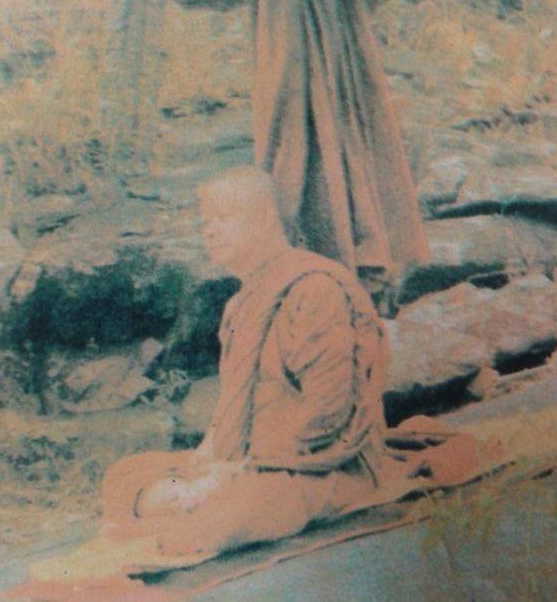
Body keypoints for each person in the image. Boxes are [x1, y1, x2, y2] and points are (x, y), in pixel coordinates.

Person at [98, 165, 401, 558]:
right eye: (206, 222)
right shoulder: (240, 304)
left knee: (225, 518)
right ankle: (190, 502)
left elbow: (329, 412)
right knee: (122, 476)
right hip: (244, 463)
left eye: (224, 218)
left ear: (265, 218)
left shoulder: (315, 288)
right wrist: (206, 459)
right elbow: (231, 408)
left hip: (314, 467)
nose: (210, 232)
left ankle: (186, 510)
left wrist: (242, 471)